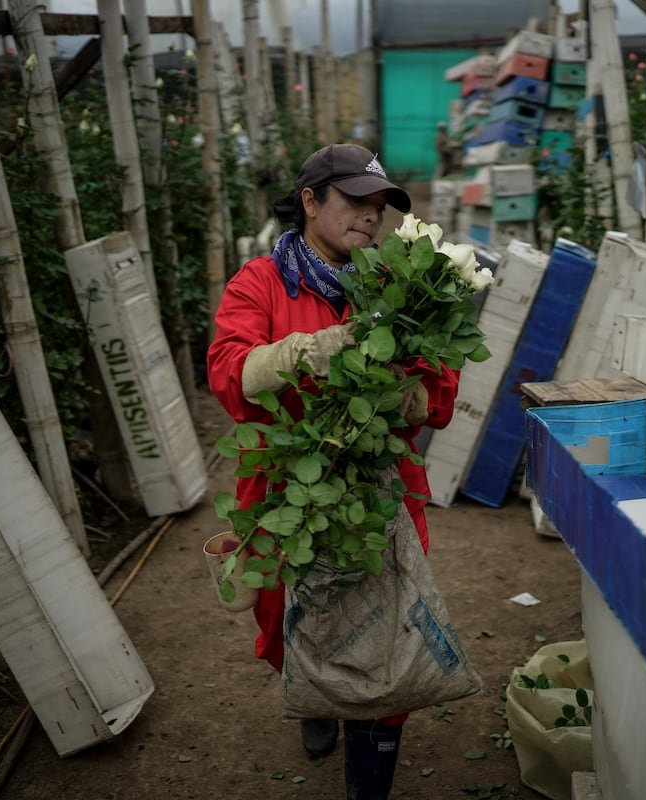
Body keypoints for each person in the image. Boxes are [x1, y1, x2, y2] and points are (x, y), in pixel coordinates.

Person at [206, 143, 460, 799]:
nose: (371, 218)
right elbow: (230, 375)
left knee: (392, 636)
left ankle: (367, 784)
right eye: (355, 201)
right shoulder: (260, 283)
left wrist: (409, 397)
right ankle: (317, 696)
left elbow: (440, 397)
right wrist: (310, 351)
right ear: (312, 201)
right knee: (289, 624)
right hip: (289, 493)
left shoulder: (400, 289)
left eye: (380, 207)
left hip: (383, 498)